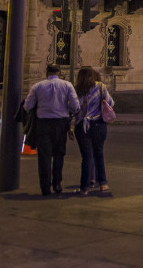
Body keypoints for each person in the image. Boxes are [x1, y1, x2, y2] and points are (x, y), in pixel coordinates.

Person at [24, 63, 79, 196]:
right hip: (61, 124)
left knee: (44, 156)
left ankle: (45, 187)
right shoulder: (67, 85)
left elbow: (27, 106)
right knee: (59, 154)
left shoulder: (38, 86)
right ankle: (57, 184)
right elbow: (75, 106)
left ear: (46, 72)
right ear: (59, 72)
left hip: (43, 124)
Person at [73, 67, 114, 194]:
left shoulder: (77, 89)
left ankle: (84, 187)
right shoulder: (100, 86)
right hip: (98, 124)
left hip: (81, 125)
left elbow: (74, 108)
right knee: (99, 153)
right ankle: (103, 184)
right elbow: (111, 103)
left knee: (86, 157)